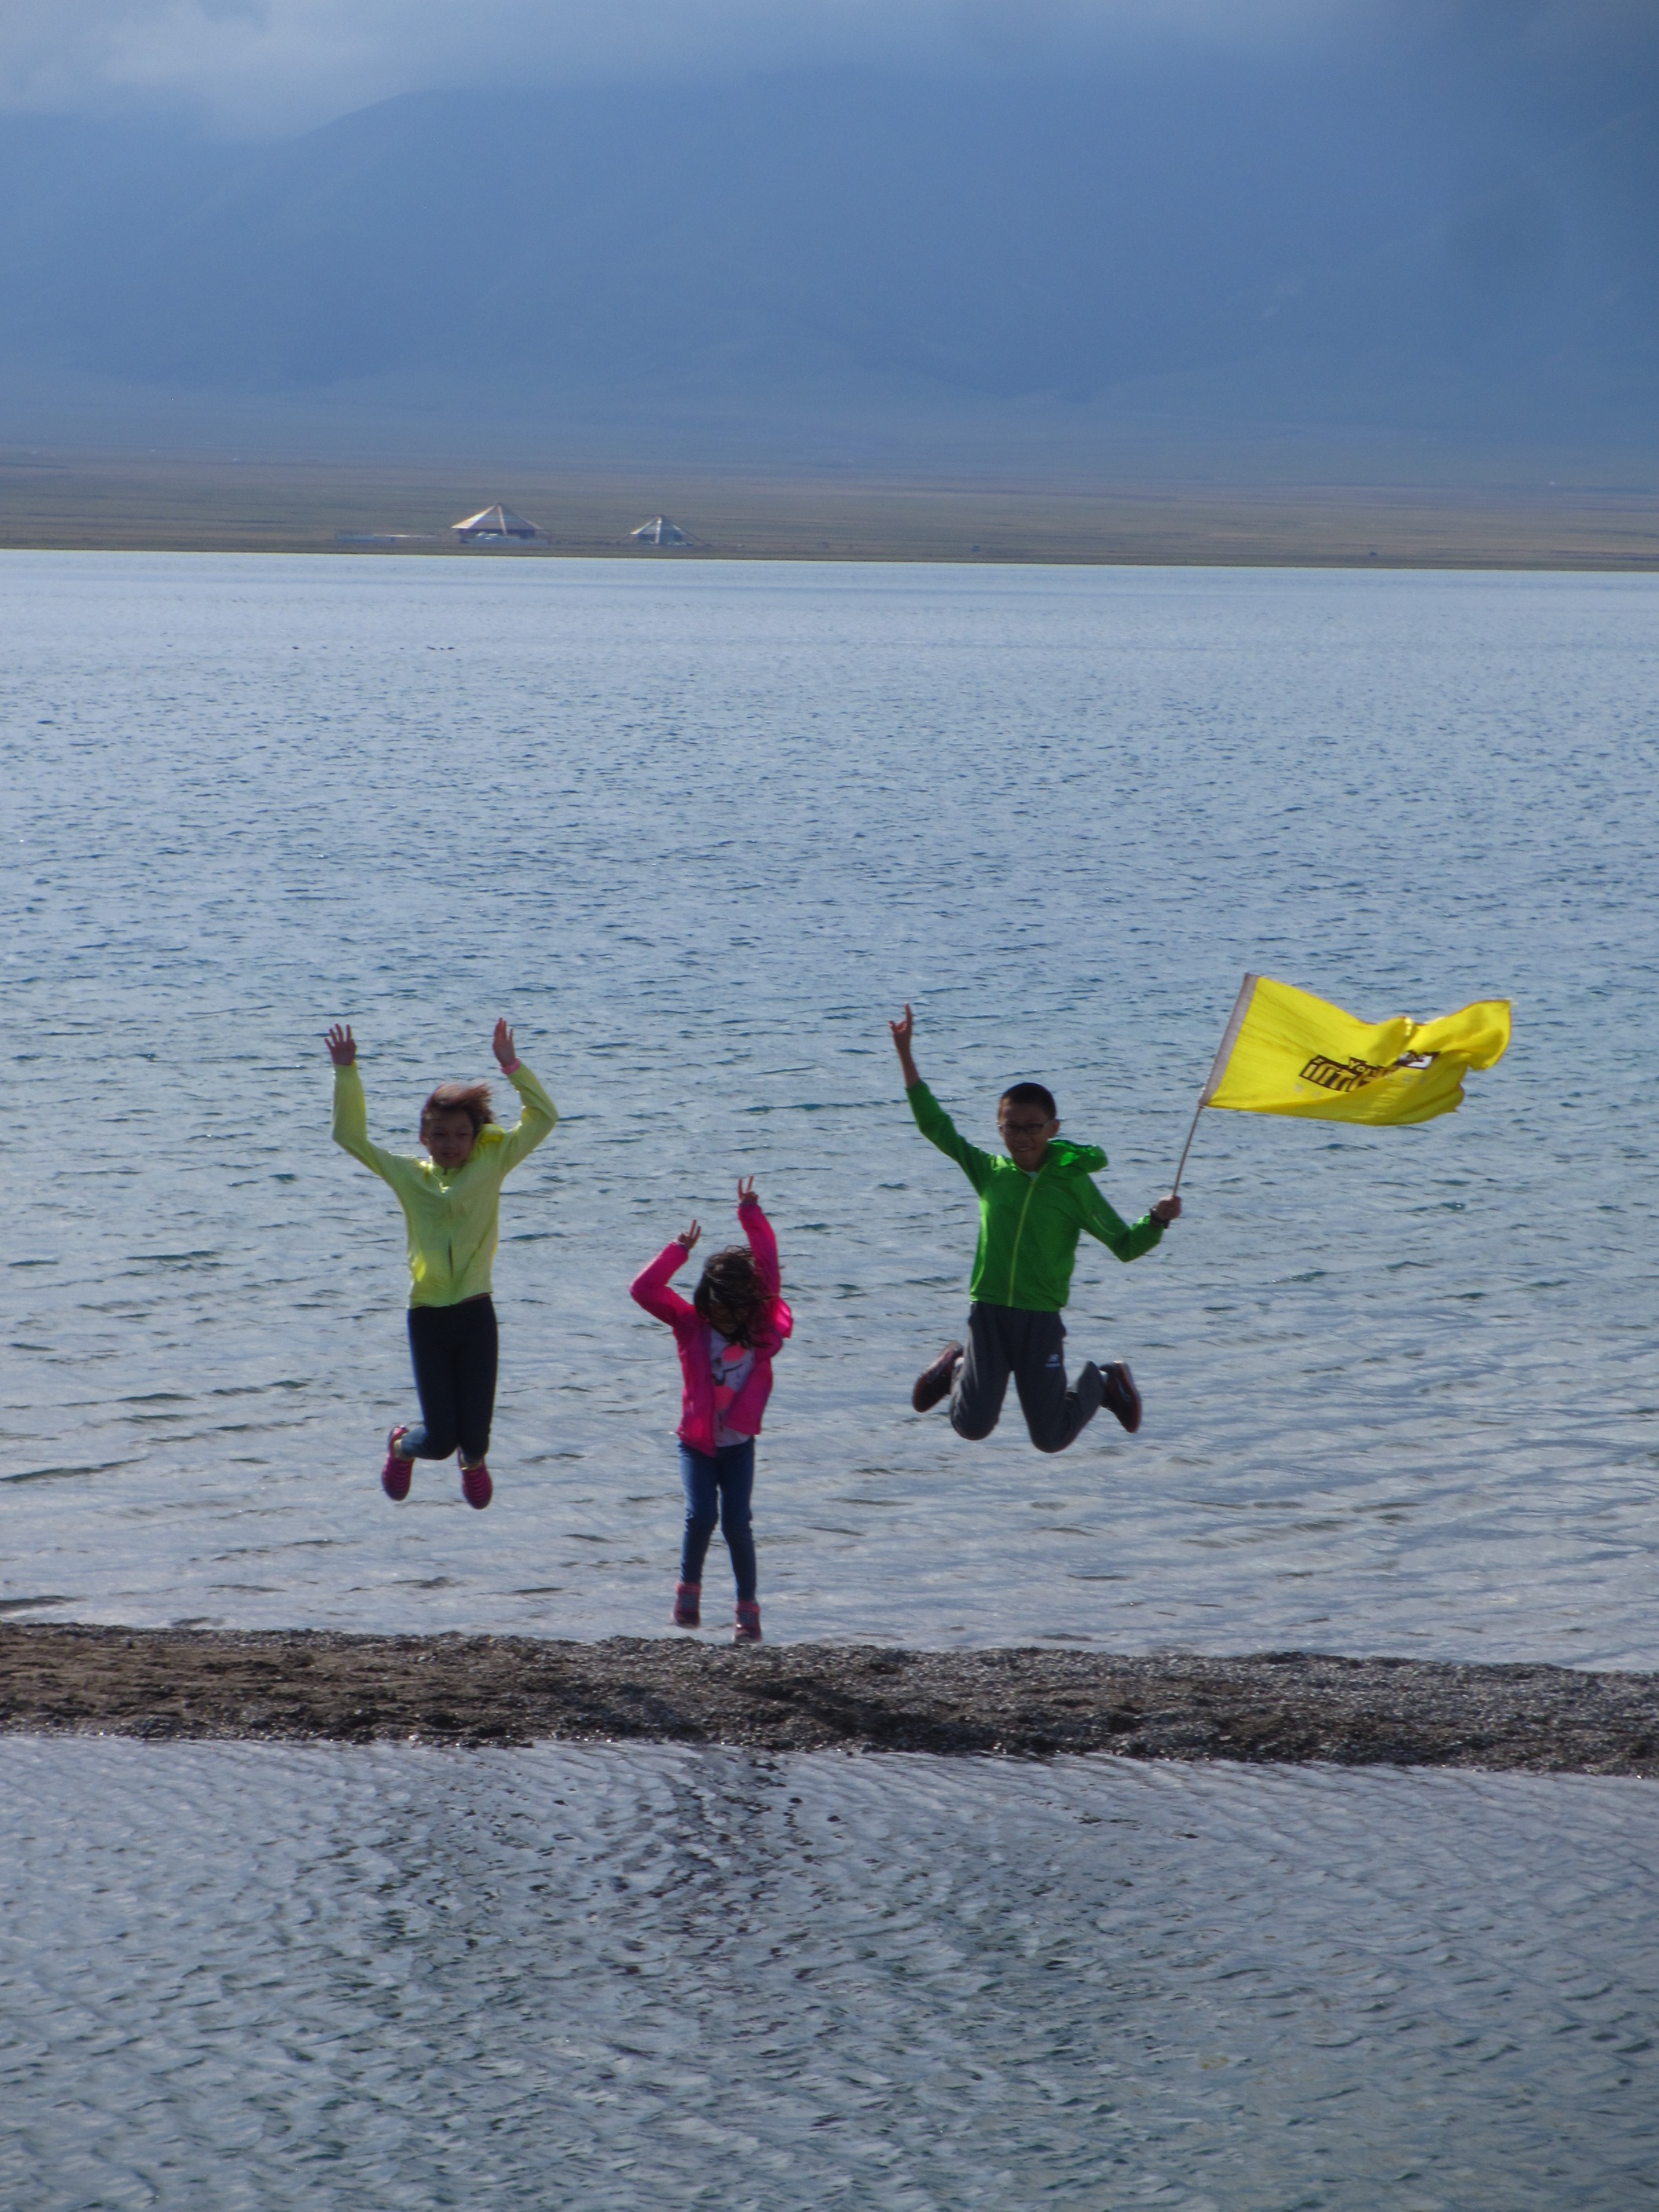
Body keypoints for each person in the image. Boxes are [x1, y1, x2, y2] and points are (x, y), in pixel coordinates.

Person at [888, 1003, 1179, 1452]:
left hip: (1040, 1319)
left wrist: (1156, 1219)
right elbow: (935, 1125)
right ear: (999, 1128)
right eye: (1012, 1128)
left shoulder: (1073, 1186)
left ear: (1053, 1128)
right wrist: (906, 1053)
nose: (1023, 1137)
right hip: (988, 1313)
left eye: (1033, 1127)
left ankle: (1105, 1381)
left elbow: (1124, 1245)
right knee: (971, 1426)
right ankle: (955, 1367)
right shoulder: (989, 1172)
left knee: (1051, 1436)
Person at [325, 1018, 556, 1509]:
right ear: (423, 1138)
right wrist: (347, 1072)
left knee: (476, 1441)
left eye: (461, 1134)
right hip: (428, 1317)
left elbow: (544, 1117)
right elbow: (349, 1136)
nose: (451, 1143)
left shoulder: (493, 1163)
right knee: (439, 1441)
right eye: (440, 1134)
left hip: (476, 1313)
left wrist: (511, 1066)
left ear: (476, 1137)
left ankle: (473, 1463)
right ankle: (400, 1445)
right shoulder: (408, 1176)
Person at [630, 1179, 793, 1644]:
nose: (726, 1317)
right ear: (706, 1300)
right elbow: (643, 1289)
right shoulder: (689, 1325)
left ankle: (747, 1609)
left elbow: (769, 1266)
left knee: (738, 1524)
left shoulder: (759, 1329)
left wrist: (750, 1214)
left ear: (749, 1307)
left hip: (739, 1448)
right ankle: (688, 1594)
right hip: (696, 1445)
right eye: (719, 1307)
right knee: (701, 1516)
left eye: (735, 1309)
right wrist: (677, 1252)